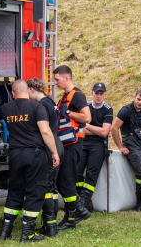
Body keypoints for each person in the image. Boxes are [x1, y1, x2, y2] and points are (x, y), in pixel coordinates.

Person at [0, 80, 60, 243]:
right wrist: (54, 152)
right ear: (28, 91)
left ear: (13, 93)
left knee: (15, 191)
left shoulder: (6, 108)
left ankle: (5, 232)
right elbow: (46, 132)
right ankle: (28, 233)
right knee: (35, 191)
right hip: (35, 154)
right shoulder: (37, 107)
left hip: (15, 155)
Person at [53, 65, 92, 230]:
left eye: (57, 79)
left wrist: (68, 113)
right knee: (63, 181)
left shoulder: (77, 95)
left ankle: (78, 212)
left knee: (66, 180)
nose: (55, 82)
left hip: (73, 143)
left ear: (66, 78)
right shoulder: (65, 96)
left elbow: (87, 117)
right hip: (65, 144)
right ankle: (72, 216)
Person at [111, 88, 141, 212]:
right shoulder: (125, 111)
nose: (139, 103)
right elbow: (114, 128)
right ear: (134, 96)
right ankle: (140, 203)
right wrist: (120, 147)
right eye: (138, 99)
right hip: (130, 142)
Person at [27, 78, 64, 237]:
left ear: (30, 89)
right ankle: (51, 224)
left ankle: (50, 227)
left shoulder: (41, 105)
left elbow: (43, 129)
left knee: (46, 187)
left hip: (49, 145)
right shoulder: (51, 102)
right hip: (57, 142)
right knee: (52, 187)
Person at [76, 83, 113, 212]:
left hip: (98, 144)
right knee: (77, 171)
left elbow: (104, 132)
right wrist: (96, 129)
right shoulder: (85, 107)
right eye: (96, 93)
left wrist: (87, 125)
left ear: (105, 95)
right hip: (82, 142)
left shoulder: (108, 109)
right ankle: (81, 201)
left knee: (92, 173)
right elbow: (78, 128)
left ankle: (85, 199)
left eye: (101, 94)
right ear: (92, 93)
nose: (98, 96)